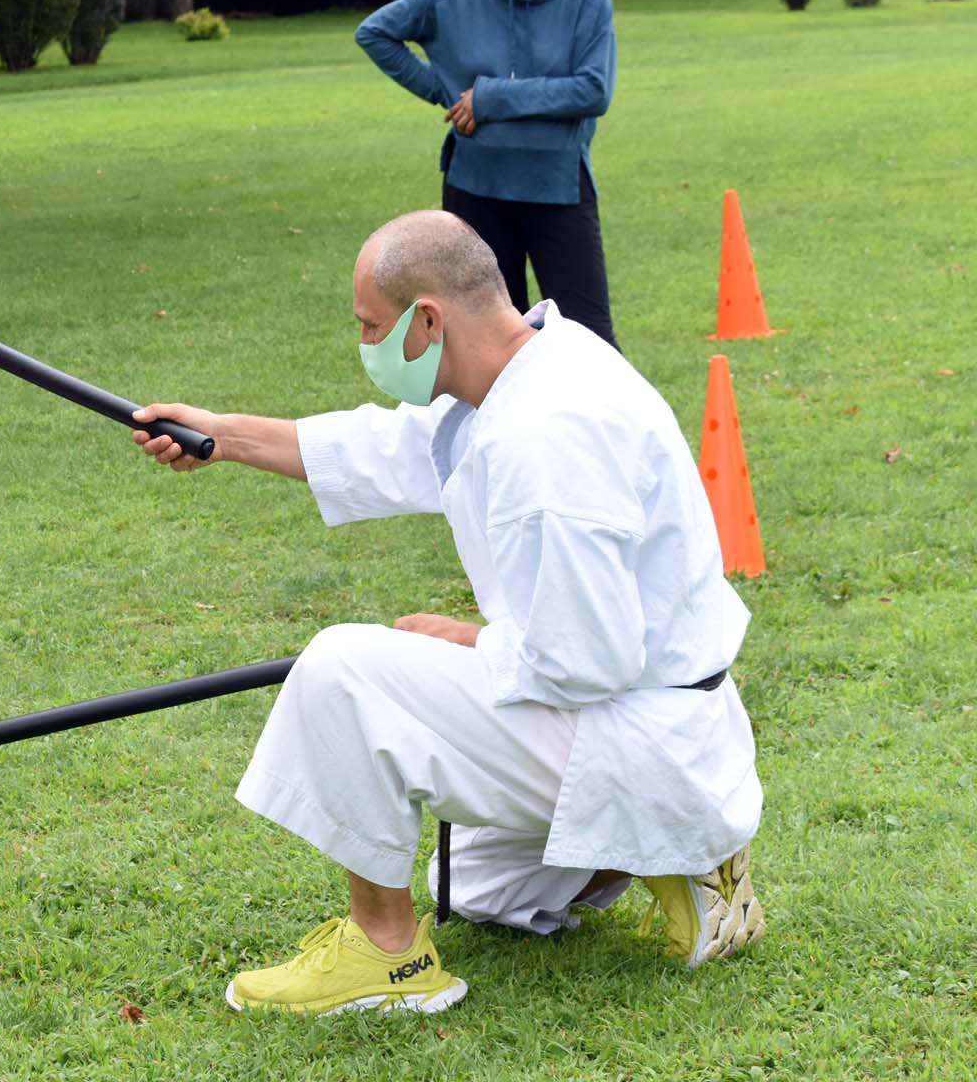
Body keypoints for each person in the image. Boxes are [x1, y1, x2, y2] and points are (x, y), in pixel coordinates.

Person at [130, 210, 762, 1016]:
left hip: (631, 723)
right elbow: (390, 450)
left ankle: (384, 957)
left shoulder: (546, 436)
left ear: (427, 320)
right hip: (649, 722)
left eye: (369, 326)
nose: (362, 344)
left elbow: (590, 658)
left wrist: (468, 642)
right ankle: (671, 853)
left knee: (343, 668)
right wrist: (224, 435)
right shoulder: (538, 362)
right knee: (476, 892)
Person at [355, 0, 620, 348]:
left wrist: (492, 97)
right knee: (489, 344)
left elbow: (593, 90)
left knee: (591, 342)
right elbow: (375, 32)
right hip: (477, 186)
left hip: (558, 186)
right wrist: (449, 95)